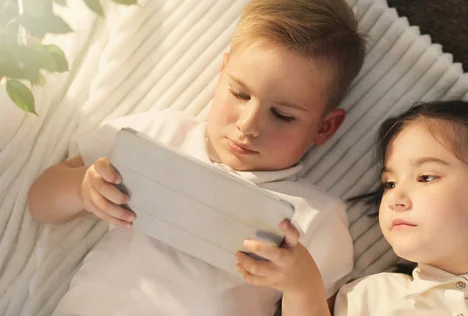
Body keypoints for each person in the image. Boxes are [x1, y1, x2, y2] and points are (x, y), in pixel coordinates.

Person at [27, 1, 366, 315]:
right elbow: (39, 203)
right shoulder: (162, 135)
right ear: (223, 72)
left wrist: (301, 286)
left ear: (325, 127)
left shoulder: (317, 216)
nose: (249, 126)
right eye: (239, 93)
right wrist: (81, 188)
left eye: (282, 115)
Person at [266, 94, 468, 315]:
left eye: (426, 177)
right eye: (389, 183)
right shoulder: (370, 298)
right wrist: (302, 284)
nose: (395, 196)